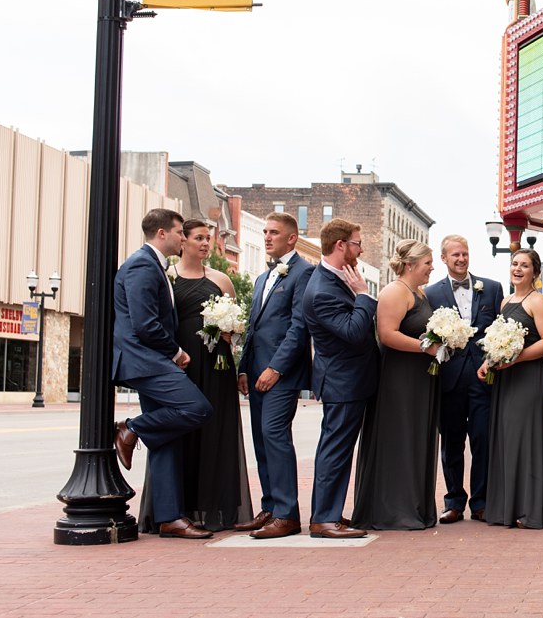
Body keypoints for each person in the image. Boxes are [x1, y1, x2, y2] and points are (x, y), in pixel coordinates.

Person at [140, 218, 252, 534]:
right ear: (184, 241)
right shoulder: (167, 278)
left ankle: (217, 505)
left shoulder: (221, 280)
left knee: (216, 429)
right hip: (180, 363)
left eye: (208, 239)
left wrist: (229, 332)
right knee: (180, 432)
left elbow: (237, 329)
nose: (205, 244)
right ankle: (177, 508)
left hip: (216, 364)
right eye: (199, 238)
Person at [112, 208, 213, 540]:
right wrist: (175, 351)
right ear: (161, 234)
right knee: (196, 408)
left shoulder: (155, 265)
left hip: (150, 359)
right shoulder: (142, 265)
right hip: (145, 360)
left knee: (167, 437)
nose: (183, 238)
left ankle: (170, 517)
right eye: (179, 232)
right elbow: (144, 323)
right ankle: (130, 428)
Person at [234, 212, 314, 540]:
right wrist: (243, 366)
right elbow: (253, 327)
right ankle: (269, 507)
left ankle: (287, 514)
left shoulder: (304, 273)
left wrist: (276, 368)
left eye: (274, 232)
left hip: (282, 373)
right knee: (261, 439)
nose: (267, 237)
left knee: (274, 435)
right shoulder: (260, 278)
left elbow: (299, 327)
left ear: (292, 238)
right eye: (265, 232)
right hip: (255, 372)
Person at [353, 239, 442, 530]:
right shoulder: (394, 292)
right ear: (410, 265)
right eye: (427, 263)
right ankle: (393, 509)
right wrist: (426, 348)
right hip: (398, 378)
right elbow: (387, 335)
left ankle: (414, 506)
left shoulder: (420, 293)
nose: (432, 267)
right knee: (399, 438)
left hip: (420, 377)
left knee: (415, 438)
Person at [304, 218, 378, 539]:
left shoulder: (336, 278)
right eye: (357, 243)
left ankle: (328, 513)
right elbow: (353, 331)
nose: (360, 250)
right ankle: (324, 519)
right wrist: (363, 295)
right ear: (340, 246)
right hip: (343, 382)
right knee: (335, 451)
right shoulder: (322, 289)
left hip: (349, 379)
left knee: (337, 450)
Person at [425, 235, 504, 524]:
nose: (461, 259)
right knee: (452, 442)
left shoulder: (491, 288)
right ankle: (454, 501)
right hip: (450, 378)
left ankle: (481, 502)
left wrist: (491, 361)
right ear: (444, 258)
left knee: (483, 439)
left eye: (465, 254)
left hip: (483, 377)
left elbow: (500, 328)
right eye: (455, 255)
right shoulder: (431, 293)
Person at [479, 248, 543, 529]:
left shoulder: (539, 302)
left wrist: (516, 358)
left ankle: (531, 509)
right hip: (506, 378)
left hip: (529, 376)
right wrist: (489, 360)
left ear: (535, 272)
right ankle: (507, 507)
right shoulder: (504, 302)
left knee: (527, 439)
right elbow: (499, 341)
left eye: (525, 265)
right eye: (515, 264)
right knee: (507, 438)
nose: (518, 269)